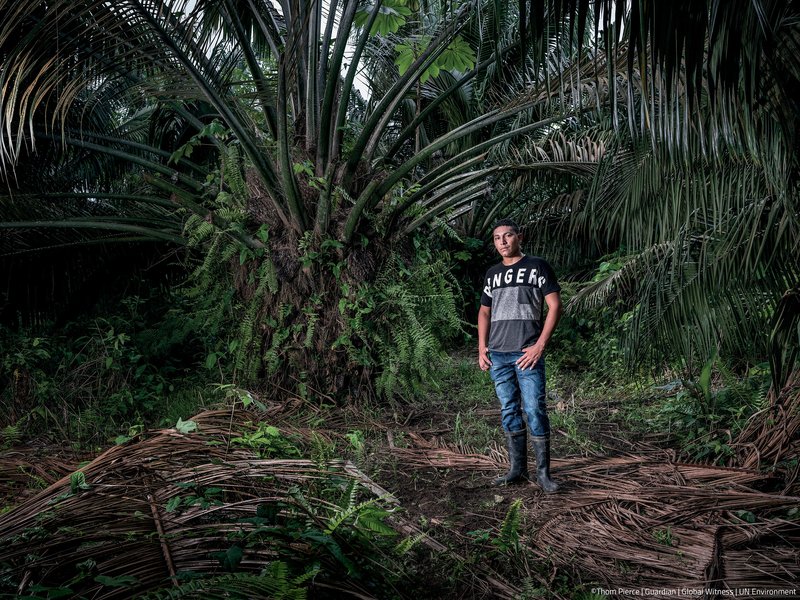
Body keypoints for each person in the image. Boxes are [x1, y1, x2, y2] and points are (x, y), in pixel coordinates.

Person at [477, 219, 562, 492]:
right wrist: (482, 346)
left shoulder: (537, 266)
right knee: (508, 410)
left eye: (508, 236)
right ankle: (516, 470)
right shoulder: (492, 274)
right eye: (497, 238)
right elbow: (484, 311)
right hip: (498, 354)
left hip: (527, 353)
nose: (502, 242)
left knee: (535, 409)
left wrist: (540, 345)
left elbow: (555, 305)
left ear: (519, 237)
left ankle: (544, 475)